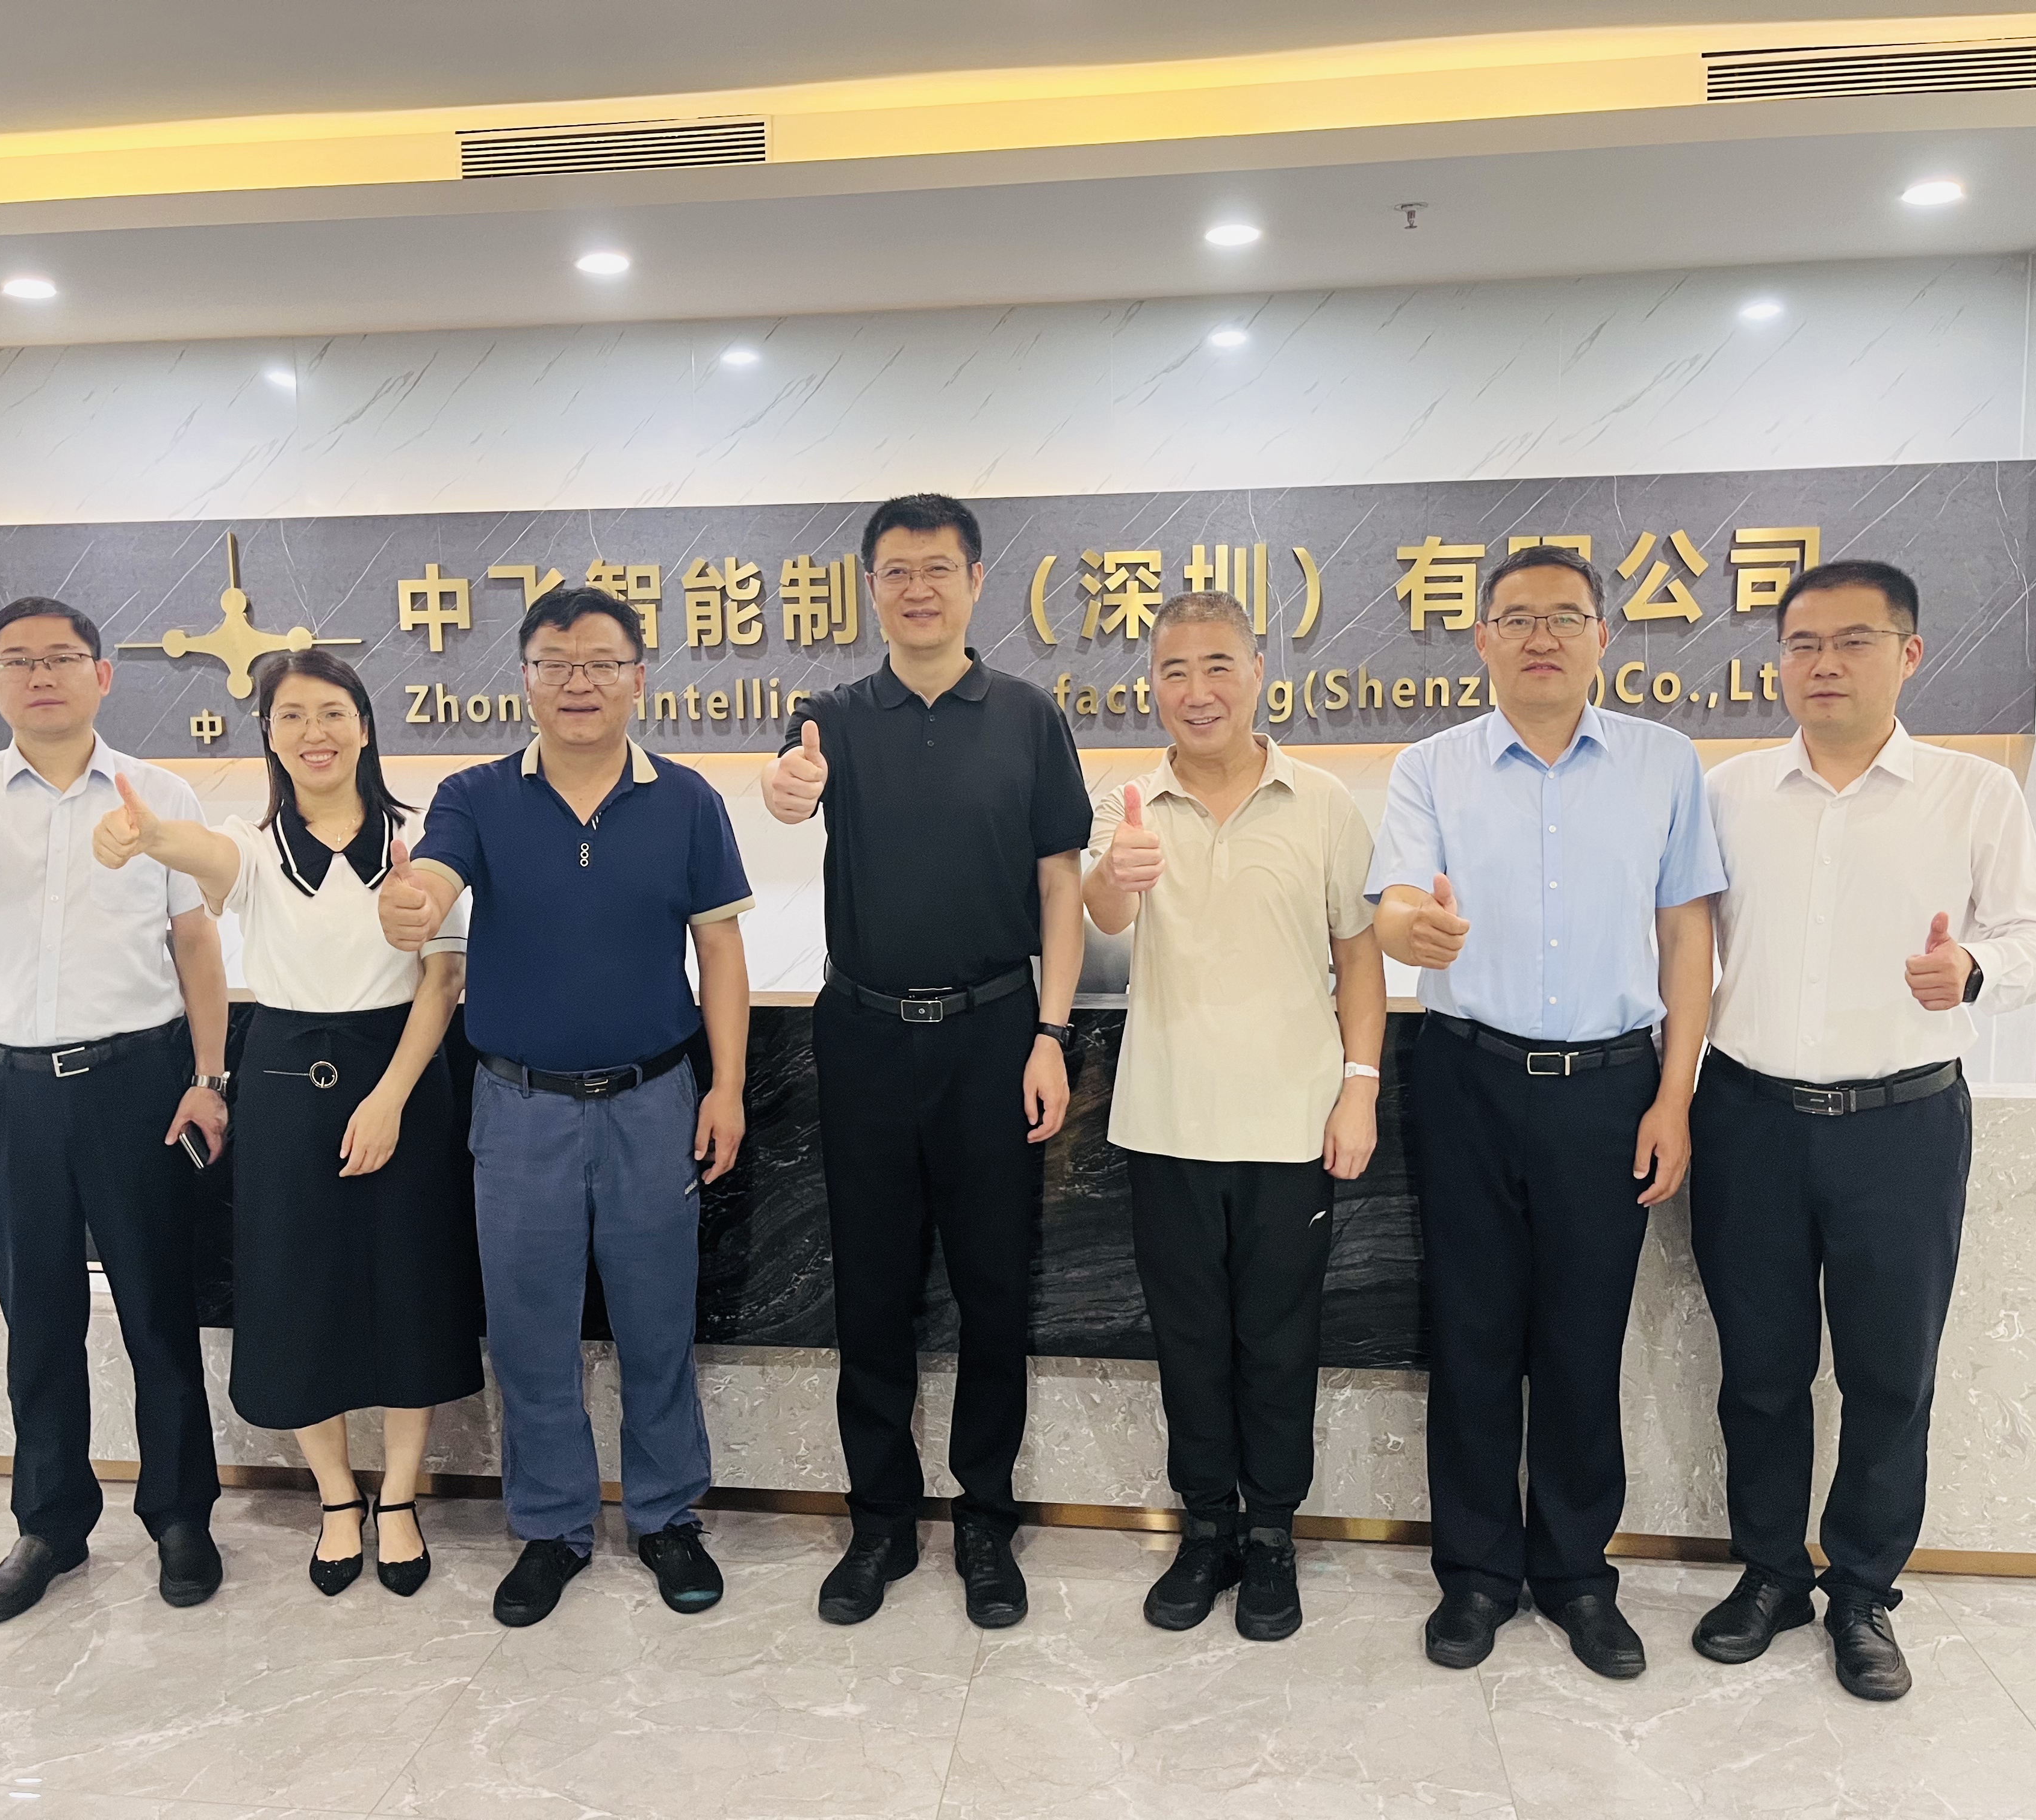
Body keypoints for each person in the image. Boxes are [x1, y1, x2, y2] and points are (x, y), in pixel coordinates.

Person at [1687, 559, 2036, 1700]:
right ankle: (1769, 1573)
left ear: (1909, 654)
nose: (1824, 664)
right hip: (1748, 1115)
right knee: (1760, 1371)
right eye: (1802, 644)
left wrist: (1974, 968)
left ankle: (1862, 1592)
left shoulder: (1972, 793)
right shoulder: (1728, 793)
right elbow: (1685, 950)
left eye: (1853, 641)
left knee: (1890, 1374)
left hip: (1902, 1126)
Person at [1369, 545, 1722, 1679]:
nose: (1541, 638)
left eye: (1565, 617)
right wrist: (1414, 932)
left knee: (1582, 1338)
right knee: (1471, 1335)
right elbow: (1394, 905)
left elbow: (1687, 938)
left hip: (1613, 1088)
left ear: (1602, 636)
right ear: (1480, 638)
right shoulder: (1431, 767)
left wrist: (1674, 1095)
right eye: (1516, 618)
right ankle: (1476, 1574)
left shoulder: (1665, 763)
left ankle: (1576, 1575)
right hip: (1467, 1078)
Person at [377, 584, 751, 1627]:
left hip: (653, 1100)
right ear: (526, 679)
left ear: (638, 678)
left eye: (600, 663)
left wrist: (726, 1086)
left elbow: (721, 952)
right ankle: (551, 1527)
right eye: (555, 663)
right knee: (530, 1330)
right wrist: (413, 901)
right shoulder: (476, 794)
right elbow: (434, 879)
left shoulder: (688, 801)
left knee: (657, 1323)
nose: (578, 683)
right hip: (520, 1109)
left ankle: (667, 1516)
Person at [760, 491, 1090, 1631]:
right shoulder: (832, 719)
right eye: (896, 571)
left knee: (995, 1289)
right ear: (871, 588)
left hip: (997, 1032)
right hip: (862, 1034)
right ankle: (882, 1524)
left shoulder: (1030, 717)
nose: (917, 588)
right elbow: (788, 788)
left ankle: (986, 1522)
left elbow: (1061, 885)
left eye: (938, 568)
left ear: (976, 581)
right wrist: (786, 790)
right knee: (872, 1291)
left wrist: (1053, 1035)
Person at [92, 649, 482, 1600]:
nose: (317, 732)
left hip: (404, 1076)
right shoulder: (254, 846)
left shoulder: (422, 841)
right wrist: (151, 837)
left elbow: (442, 980)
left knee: (410, 1285)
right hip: (283, 1084)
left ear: (365, 726)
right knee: (296, 1290)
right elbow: (205, 856)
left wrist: (389, 1099)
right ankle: (337, 1497)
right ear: (269, 736)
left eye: (334, 712)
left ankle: (400, 1497)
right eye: (294, 716)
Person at [0, 596, 228, 1624]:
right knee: (36, 1316)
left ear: (103, 673)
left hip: (138, 1083)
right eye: (18, 661)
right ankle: (50, 1522)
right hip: (7, 1090)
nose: (40, 675)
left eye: (61, 657)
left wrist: (210, 1077)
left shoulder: (157, 792)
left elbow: (195, 944)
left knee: (157, 1309)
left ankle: (180, 1515)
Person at [1082, 591, 1384, 1644]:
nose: (1197, 690)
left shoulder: (1324, 803)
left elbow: (1359, 958)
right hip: (1166, 1121)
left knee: (1280, 1342)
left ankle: (1272, 1536)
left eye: (1219, 665)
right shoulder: (1128, 803)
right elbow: (1103, 914)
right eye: (1174, 670)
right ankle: (1205, 1527)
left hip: (1294, 1125)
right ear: (1152, 686)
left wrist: (1360, 1085)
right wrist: (1113, 874)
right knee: (1189, 1343)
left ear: (1259, 672)